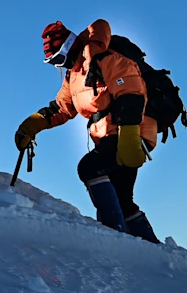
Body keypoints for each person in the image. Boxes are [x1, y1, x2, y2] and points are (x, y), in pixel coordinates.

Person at [15, 20, 161, 243]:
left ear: (68, 47)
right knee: (122, 198)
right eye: (52, 62)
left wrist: (129, 135)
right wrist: (31, 126)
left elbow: (131, 93)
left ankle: (113, 236)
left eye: (58, 58)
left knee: (89, 168)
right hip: (109, 137)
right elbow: (61, 108)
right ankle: (151, 248)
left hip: (131, 132)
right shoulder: (73, 76)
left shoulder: (104, 58)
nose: (58, 65)